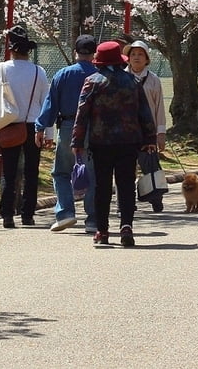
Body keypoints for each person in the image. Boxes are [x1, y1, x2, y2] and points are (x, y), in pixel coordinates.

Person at [72, 40, 157, 247]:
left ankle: (102, 230)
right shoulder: (132, 81)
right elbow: (144, 113)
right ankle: (126, 226)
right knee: (126, 185)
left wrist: (77, 140)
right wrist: (149, 139)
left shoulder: (92, 81)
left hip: (101, 143)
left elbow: (82, 113)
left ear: (98, 61)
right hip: (129, 141)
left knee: (102, 187)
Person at [0, 25, 50, 229]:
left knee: (9, 172)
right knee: (32, 172)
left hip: (8, 124)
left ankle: (7, 215)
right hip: (33, 126)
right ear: (28, 50)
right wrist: (48, 132)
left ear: (10, 48)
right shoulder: (39, 71)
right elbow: (45, 103)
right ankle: (28, 214)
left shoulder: (2, 69)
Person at [37, 34, 98, 232]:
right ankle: (93, 219)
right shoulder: (100, 75)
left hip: (67, 127)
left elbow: (50, 104)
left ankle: (65, 213)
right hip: (94, 128)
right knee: (93, 173)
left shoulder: (62, 75)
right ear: (94, 54)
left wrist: (40, 127)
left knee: (61, 172)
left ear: (75, 53)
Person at [126, 40, 168, 212]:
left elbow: (159, 108)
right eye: (133, 54)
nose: (136, 58)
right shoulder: (122, 77)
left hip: (147, 132)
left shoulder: (154, 80)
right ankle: (127, 202)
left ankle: (156, 198)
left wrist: (160, 133)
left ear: (147, 59)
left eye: (140, 54)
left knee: (150, 165)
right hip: (126, 131)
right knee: (126, 168)